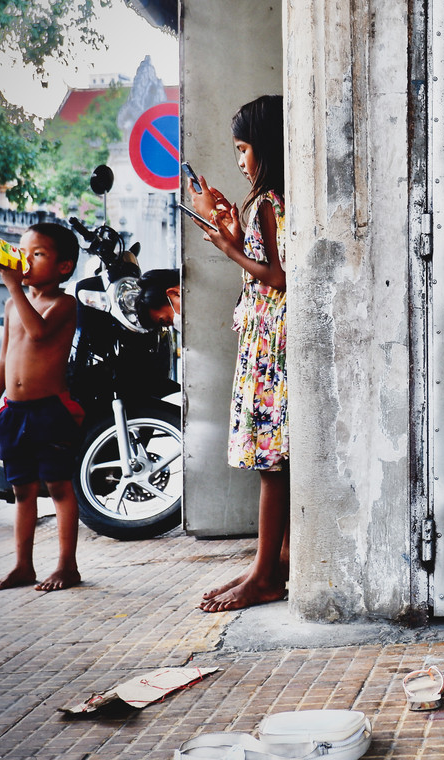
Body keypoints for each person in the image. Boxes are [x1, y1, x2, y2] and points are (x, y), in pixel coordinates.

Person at [188, 94, 289, 612]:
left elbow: (280, 276)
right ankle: (276, 561)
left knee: (272, 461)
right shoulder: (261, 203)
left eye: (244, 148)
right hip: (264, 337)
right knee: (273, 458)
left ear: (267, 147)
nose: (240, 160)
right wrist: (229, 227)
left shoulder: (270, 201)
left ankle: (265, 574)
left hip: (274, 342)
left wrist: (228, 247)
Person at [0, 222, 83, 592]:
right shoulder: (11, 304)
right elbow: (5, 357)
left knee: (58, 488)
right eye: (24, 252)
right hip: (14, 412)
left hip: (49, 412)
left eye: (37, 254)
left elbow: (37, 332)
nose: (26, 261)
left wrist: (13, 287)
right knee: (22, 491)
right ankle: (23, 566)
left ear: (63, 266)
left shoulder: (64, 304)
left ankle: (67, 566)